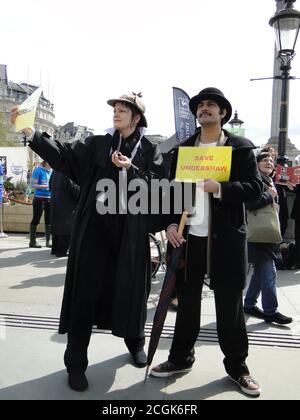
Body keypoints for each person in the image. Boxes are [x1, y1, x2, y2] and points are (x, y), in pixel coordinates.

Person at [11, 92, 165, 392]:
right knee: (84, 294)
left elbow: (160, 187)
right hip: (94, 231)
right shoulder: (98, 143)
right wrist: (31, 133)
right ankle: (76, 363)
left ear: (136, 118)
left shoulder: (149, 150)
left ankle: (135, 343)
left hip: (130, 235)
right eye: (115, 110)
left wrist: (130, 170)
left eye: (123, 111)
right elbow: (64, 156)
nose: (116, 114)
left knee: (132, 292)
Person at [150, 87, 263, 397]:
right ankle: (180, 358)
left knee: (230, 308)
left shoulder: (239, 148)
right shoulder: (185, 148)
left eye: (211, 105)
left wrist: (221, 188)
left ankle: (238, 368)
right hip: (189, 240)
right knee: (186, 305)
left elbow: (255, 187)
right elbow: (172, 192)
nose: (205, 109)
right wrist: (172, 222)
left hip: (225, 240)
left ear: (223, 112)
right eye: (200, 106)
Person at [244, 152, 293, 325]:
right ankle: (271, 311)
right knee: (269, 272)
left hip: (267, 233)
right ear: (256, 164)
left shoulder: (270, 181)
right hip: (259, 234)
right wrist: (268, 196)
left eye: (271, 160)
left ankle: (249, 304)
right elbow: (248, 204)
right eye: (264, 160)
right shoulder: (255, 180)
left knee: (259, 271)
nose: (269, 162)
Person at [49, 170, 80, 257]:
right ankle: (61, 251)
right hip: (66, 203)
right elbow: (73, 188)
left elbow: (50, 185)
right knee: (66, 229)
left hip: (55, 200)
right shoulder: (68, 170)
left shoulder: (55, 170)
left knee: (56, 227)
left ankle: (54, 249)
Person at [29, 160, 52, 248]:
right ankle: (32, 242)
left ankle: (48, 242)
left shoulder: (51, 171)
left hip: (49, 199)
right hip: (39, 199)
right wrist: (45, 186)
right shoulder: (38, 170)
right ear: (46, 162)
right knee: (36, 219)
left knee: (49, 220)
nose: (52, 165)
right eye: (51, 163)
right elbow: (32, 185)